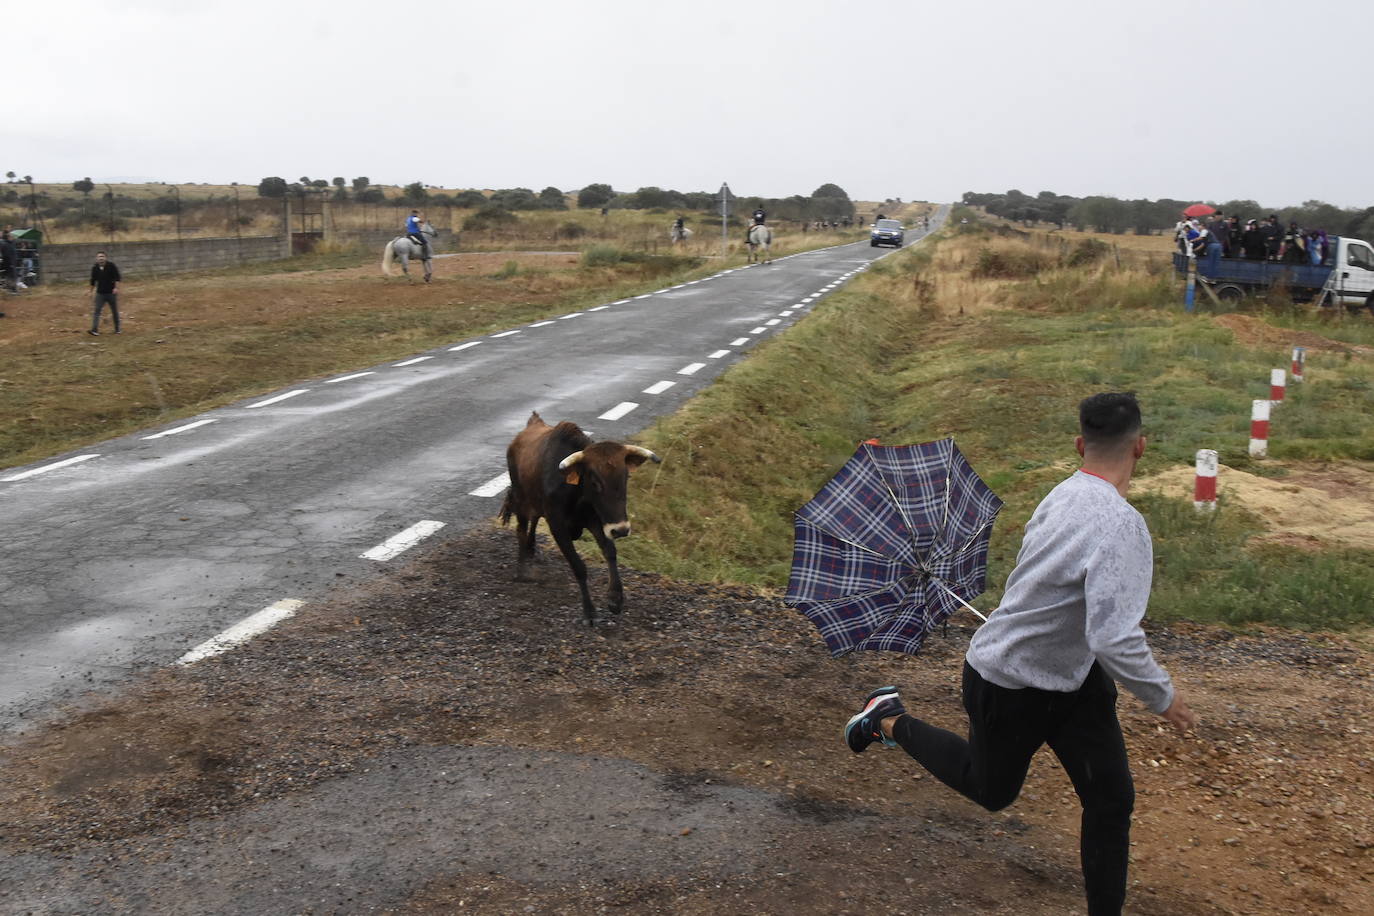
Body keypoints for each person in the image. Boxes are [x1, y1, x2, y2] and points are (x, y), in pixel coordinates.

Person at [844, 392, 1197, 916]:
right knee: (990, 792)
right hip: (1008, 681)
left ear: (1080, 445)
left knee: (1111, 798)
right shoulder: (1122, 526)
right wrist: (1162, 696)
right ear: (1141, 448)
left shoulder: (1061, 493)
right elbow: (1113, 636)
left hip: (1075, 681)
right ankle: (888, 719)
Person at [89, 251, 121, 335]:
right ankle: (94, 330)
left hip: (111, 293)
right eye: (99, 257)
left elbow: (117, 278)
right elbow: (93, 281)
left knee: (114, 311)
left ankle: (118, 329)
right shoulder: (95, 268)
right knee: (97, 311)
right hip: (100, 294)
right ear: (97, 258)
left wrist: (116, 288)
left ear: (105, 257)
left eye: (102, 256)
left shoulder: (111, 266)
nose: (101, 258)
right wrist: (90, 291)